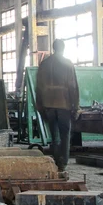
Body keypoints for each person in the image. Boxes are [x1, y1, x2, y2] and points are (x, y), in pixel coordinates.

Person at [36, 39, 80, 172]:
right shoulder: (67, 64)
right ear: (63, 48)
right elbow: (73, 86)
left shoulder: (44, 64)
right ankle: (63, 163)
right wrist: (76, 105)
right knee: (65, 134)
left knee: (54, 135)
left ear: (53, 48)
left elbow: (38, 87)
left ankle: (55, 160)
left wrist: (39, 105)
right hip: (63, 104)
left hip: (48, 104)